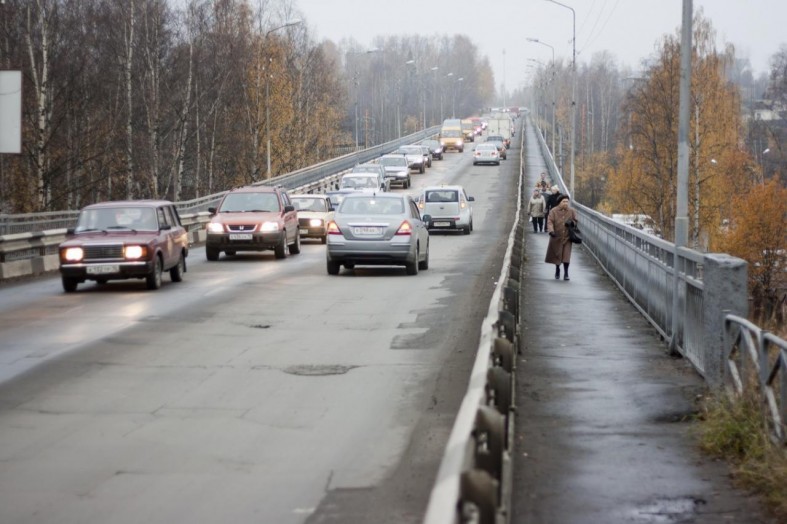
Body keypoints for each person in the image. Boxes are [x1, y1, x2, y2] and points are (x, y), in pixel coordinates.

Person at [545, 194, 578, 281]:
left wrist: (572, 223)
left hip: (567, 237)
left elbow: (576, 221)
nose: (566, 203)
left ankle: (566, 273)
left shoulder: (571, 211)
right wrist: (551, 231)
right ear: (559, 202)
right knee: (558, 255)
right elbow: (550, 222)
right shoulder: (553, 211)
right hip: (557, 237)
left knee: (566, 256)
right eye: (564, 201)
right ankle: (557, 270)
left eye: (567, 202)